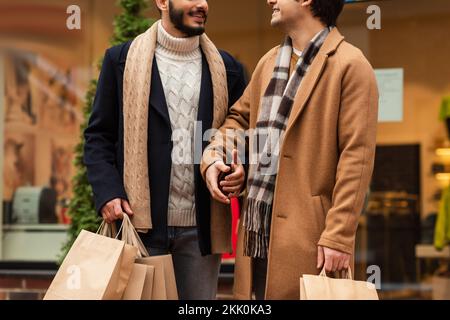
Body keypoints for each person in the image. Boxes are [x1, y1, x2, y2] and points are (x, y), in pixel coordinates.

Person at [202, 0, 379, 299]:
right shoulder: (268, 63)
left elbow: (356, 159)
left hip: (311, 238)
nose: (270, 0)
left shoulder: (351, 65)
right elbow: (239, 120)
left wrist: (338, 235)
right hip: (256, 236)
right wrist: (215, 156)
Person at [84, 0, 246, 300]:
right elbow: (98, 137)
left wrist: (240, 170)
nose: (202, 4)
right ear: (162, 2)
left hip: (202, 230)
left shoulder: (228, 69)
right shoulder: (120, 60)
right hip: (140, 224)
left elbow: (241, 135)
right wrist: (107, 192)